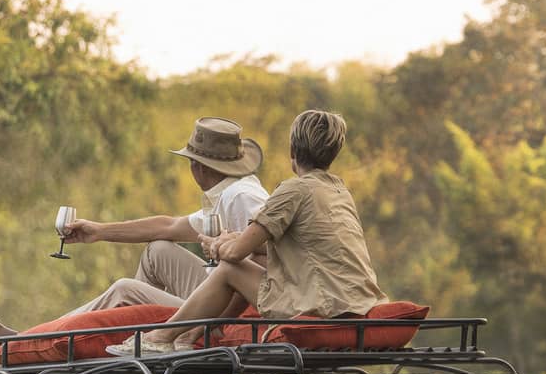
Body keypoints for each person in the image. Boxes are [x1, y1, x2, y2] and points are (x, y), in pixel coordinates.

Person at [108, 109, 386, 354]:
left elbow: (236, 252)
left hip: (320, 303)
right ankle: (188, 334)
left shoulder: (293, 189)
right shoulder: (339, 191)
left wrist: (217, 245)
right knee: (225, 262)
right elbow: (297, 245)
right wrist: (234, 240)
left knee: (229, 268)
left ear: (292, 152)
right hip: (354, 299)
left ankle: (161, 336)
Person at [0, 117, 267, 337]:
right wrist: (100, 231)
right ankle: (133, 332)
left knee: (124, 290)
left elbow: (266, 258)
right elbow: (167, 226)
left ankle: (31, 339)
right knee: (158, 250)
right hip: (221, 294)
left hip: (230, 312)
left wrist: (213, 322)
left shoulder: (241, 197)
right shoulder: (229, 192)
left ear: (198, 167)